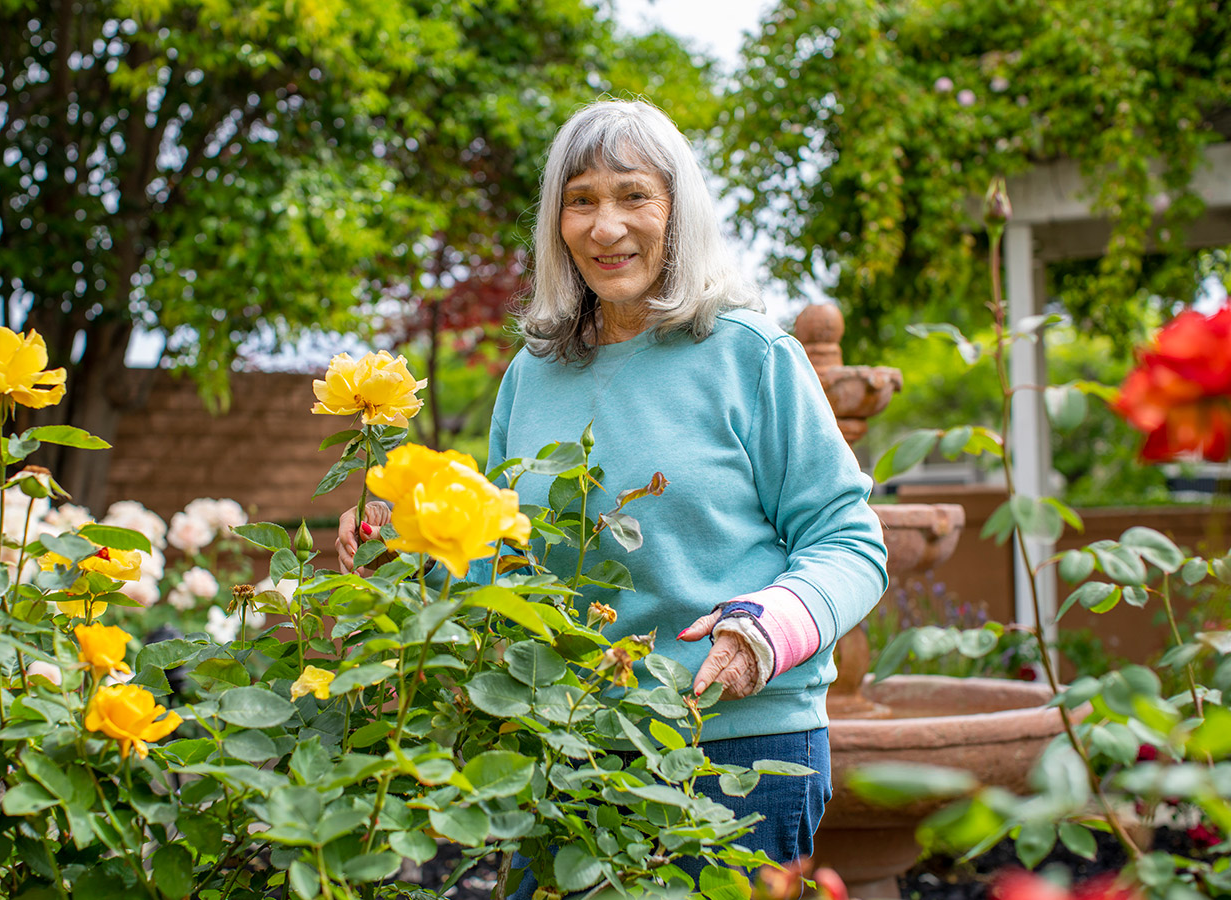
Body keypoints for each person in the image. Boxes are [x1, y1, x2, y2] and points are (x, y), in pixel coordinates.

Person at [337, 99, 887, 880]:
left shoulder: (751, 355)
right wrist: (404, 545)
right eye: (581, 200)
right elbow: (504, 560)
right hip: (565, 745)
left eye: (633, 195)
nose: (605, 226)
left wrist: (767, 630)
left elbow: (852, 541)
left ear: (679, 212)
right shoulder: (533, 374)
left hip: (736, 749)